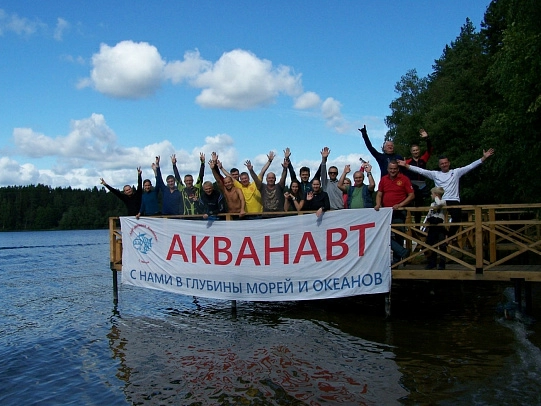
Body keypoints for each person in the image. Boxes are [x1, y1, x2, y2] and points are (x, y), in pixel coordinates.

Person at [397, 148, 495, 236]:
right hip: (440, 201)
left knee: (457, 219)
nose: (444, 165)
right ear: (439, 165)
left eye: (445, 163)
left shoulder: (456, 172)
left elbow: (470, 166)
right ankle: (436, 242)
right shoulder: (435, 174)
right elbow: (421, 171)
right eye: (442, 163)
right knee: (434, 221)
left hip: (453, 200)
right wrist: (406, 165)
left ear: (449, 163)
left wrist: (483, 158)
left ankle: (449, 237)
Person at [374, 160, 415, 264]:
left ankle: (396, 262)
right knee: (384, 235)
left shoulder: (404, 179)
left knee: (399, 235)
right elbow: (379, 194)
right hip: (386, 212)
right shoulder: (384, 179)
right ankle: (402, 252)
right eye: (391, 169)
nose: (393, 171)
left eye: (395, 169)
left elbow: (411, 195)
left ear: (398, 169)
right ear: (388, 169)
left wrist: (401, 205)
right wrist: (378, 204)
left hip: (399, 211)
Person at [220, 151, 274, 217]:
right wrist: (221, 168)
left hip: (259, 215)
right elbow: (229, 176)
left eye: (245, 178)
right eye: (242, 179)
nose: (244, 180)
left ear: (248, 178)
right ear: (240, 179)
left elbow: (262, 172)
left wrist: (269, 161)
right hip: (246, 215)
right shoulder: (239, 186)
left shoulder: (255, 184)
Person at [404, 129, 434, 224]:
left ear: (419, 151)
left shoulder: (423, 159)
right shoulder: (408, 162)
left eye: (417, 150)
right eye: (414, 151)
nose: (416, 152)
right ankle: (409, 226)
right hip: (411, 185)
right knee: (411, 205)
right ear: (411, 152)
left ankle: (418, 226)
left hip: (422, 185)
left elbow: (430, 150)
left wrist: (427, 138)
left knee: (420, 206)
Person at [424, 186, 447, 270]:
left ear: (436, 195)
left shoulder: (443, 202)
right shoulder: (432, 204)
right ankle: (432, 262)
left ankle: (442, 263)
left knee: (442, 245)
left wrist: (437, 197)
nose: (431, 196)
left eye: (432, 194)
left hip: (440, 225)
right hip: (432, 226)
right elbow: (429, 213)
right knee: (431, 244)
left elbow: (440, 204)